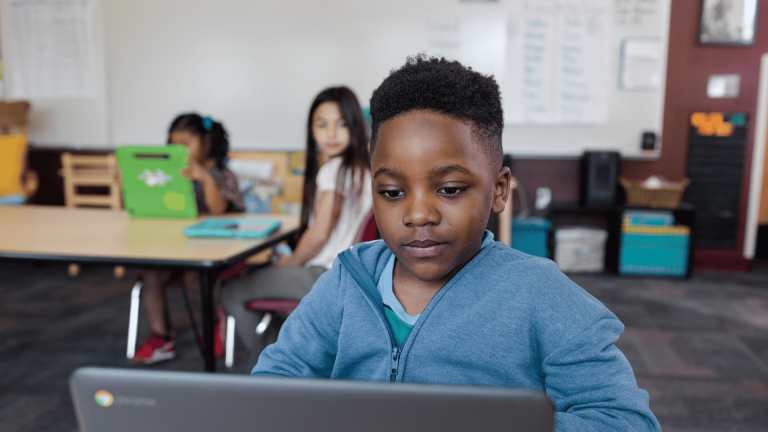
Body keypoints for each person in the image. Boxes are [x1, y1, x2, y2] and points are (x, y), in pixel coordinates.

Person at [251, 56, 661, 432]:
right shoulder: (347, 280)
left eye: (449, 189)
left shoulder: (540, 296)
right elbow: (274, 384)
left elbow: (626, 422)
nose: (418, 214)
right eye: (392, 192)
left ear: (499, 190)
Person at [221, 86, 372, 347]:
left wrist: (290, 262)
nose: (332, 134)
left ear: (356, 127)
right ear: (312, 130)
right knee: (268, 293)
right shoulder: (362, 169)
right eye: (322, 125)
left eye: (342, 124)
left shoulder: (334, 169)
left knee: (231, 291)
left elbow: (319, 234)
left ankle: (272, 366)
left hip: (324, 275)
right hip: (346, 274)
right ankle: (281, 359)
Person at [132, 113, 244, 364]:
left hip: (219, 252)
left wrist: (204, 177)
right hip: (178, 249)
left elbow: (218, 211)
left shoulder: (222, 175)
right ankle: (161, 338)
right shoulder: (171, 176)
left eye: (185, 143)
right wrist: (131, 184)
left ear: (206, 143)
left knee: (196, 278)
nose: (179, 150)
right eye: (173, 144)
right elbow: (149, 209)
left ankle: (214, 319)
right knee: (150, 276)